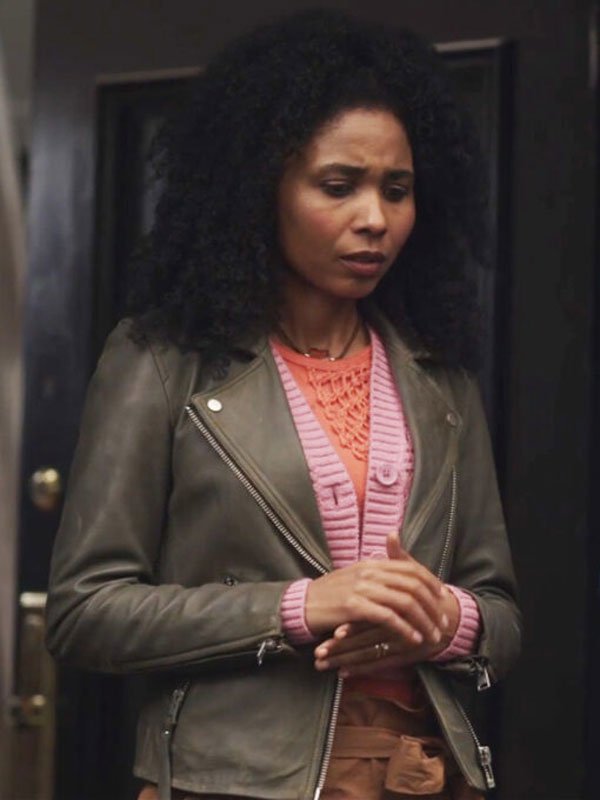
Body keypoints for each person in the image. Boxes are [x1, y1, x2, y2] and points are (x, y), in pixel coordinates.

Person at [46, 9, 521, 800]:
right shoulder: (163, 361)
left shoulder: (439, 377)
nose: (375, 218)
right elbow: (85, 612)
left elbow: (500, 611)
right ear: (259, 189)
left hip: (422, 775)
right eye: (338, 186)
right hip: (233, 781)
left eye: (397, 190)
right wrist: (299, 607)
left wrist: (446, 620)